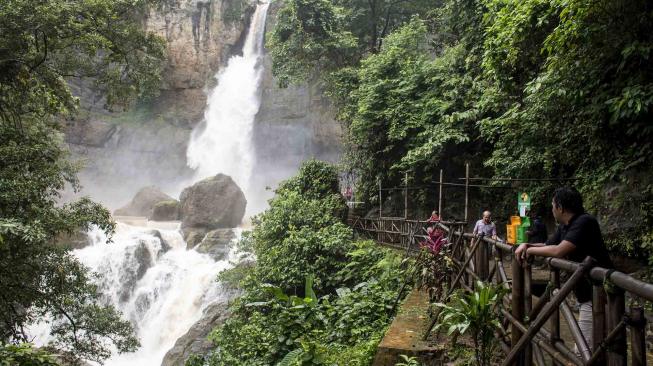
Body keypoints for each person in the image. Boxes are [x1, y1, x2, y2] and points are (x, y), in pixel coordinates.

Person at [515, 187, 613, 352]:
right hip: (586, 295)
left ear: (560, 207)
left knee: (584, 352)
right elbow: (548, 245)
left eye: (553, 205)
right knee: (596, 348)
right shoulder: (565, 226)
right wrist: (526, 244)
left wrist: (529, 251)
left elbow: (559, 251)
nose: (552, 210)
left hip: (600, 296)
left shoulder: (584, 222)